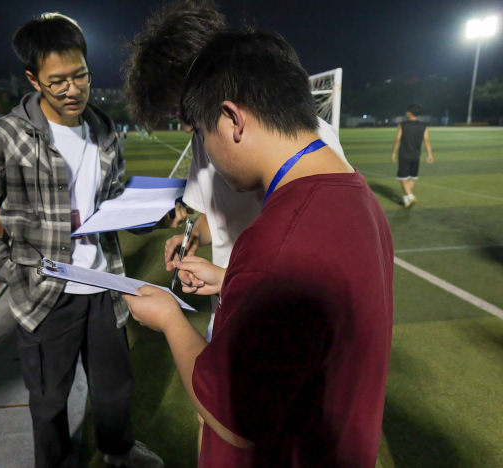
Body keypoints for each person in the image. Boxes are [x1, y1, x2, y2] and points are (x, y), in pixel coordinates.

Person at [123, 29, 394, 468]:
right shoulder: (357, 194)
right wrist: (234, 279)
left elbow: (233, 418)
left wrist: (169, 318)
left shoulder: (276, 239)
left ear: (233, 118)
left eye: (203, 133)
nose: (206, 153)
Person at [0, 13, 169, 468]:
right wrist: (11, 271)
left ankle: (118, 452)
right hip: (46, 294)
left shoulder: (105, 130)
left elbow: (111, 203)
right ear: (33, 80)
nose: (73, 90)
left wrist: (154, 212)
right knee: (49, 399)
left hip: (104, 285)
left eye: (81, 75)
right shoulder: (6, 137)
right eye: (58, 81)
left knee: (114, 387)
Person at [391, 103, 434, 208]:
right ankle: (407, 201)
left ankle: (410, 196)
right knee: (411, 178)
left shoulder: (402, 125)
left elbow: (397, 139)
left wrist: (394, 153)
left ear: (409, 113)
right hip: (416, 156)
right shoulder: (423, 126)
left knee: (402, 178)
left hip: (404, 155)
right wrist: (430, 154)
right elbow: (427, 140)